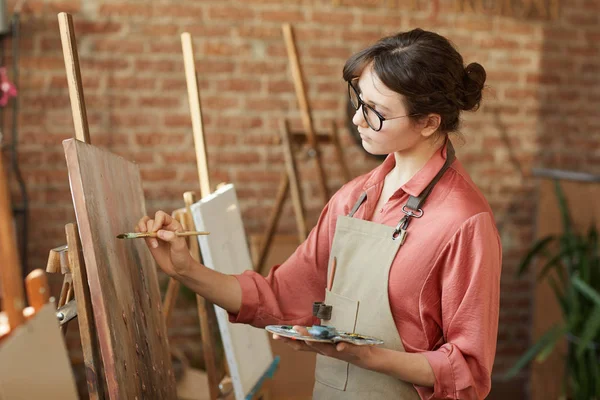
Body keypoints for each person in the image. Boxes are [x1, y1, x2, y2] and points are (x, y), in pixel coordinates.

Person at [136, 28, 502, 400]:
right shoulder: (354, 199)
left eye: (376, 112)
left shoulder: (463, 222)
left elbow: (469, 373)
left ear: (428, 122)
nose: (358, 119)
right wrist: (185, 270)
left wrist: (371, 357)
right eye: (359, 102)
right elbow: (278, 297)